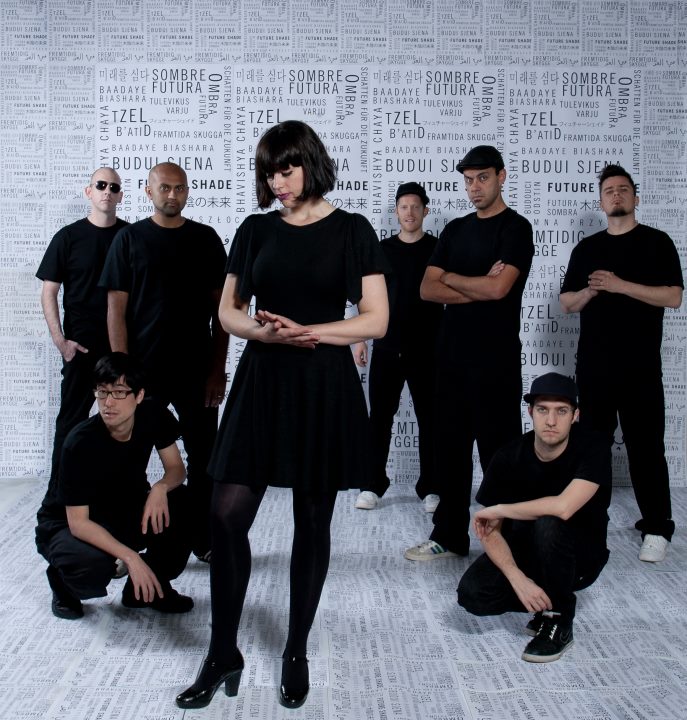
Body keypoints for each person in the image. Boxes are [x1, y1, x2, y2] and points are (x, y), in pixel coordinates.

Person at [176, 120, 389, 711]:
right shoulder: (254, 229)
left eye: (287, 169)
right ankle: (223, 652)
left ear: (310, 163)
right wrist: (267, 334)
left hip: (322, 383)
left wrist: (308, 332)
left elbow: (375, 319)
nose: (278, 182)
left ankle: (296, 649)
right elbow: (229, 312)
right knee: (225, 515)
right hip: (263, 379)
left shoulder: (352, 230)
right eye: (269, 172)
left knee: (312, 524)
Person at [405, 145, 534, 561]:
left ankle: (507, 540)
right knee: (449, 452)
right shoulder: (456, 230)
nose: (474, 187)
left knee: (500, 454)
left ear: (501, 177)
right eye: (468, 180)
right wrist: (477, 283)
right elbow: (427, 289)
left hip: (496, 361)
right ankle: (449, 536)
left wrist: (453, 279)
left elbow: (500, 289)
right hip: (450, 359)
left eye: (482, 178)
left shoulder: (516, 228)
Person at [100, 162, 229, 562]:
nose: (172, 195)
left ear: (187, 191)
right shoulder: (128, 240)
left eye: (180, 188)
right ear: (148, 191)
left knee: (205, 458)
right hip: (143, 374)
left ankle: (204, 539)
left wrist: (216, 370)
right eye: (165, 188)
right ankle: (127, 545)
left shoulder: (205, 239)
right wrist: (123, 374)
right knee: (129, 459)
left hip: (196, 372)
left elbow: (222, 312)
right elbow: (115, 309)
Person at [560, 164, 683, 563]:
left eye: (623, 189)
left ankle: (657, 527)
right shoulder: (587, 249)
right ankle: (590, 525)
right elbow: (567, 302)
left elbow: (673, 297)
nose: (616, 194)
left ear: (635, 197)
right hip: (594, 368)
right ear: (601, 201)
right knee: (592, 449)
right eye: (609, 190)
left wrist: (619, 285)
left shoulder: (657, 242)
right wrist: (591, 293)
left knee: (646, 448)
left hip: (640, 368)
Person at [457, 373, 611, 663]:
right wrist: (517, 579)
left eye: (561, 411)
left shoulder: (593, 448)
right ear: (530, 412)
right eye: (543, 410)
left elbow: (563, 507)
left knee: (548, 523)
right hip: (528, 551)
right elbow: (490, 530)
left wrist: (501, 509)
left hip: (580, 556)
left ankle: (559, 618)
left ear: (575, 415)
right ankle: (542, 598)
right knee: (472, 594)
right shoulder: (508, 456)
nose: (551, 421)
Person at [35, 352, 193, 620]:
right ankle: (62, 582)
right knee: (91, 567)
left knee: (184, 502)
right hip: (68, 524)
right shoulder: (79, 443)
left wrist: (160, 488)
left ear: (139, 395)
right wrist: (131, 558)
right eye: (102, 392)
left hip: (123, 509)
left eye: (119, 393)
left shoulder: (153, 414)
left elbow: (176, 468)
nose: (108, 403)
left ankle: (147, 590)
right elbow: (78, 523)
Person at [36, 167, 128, 501]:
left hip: (120, 349)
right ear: (89, 191)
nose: (107, 191)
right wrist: (61, 342)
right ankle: (57, 497)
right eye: (101, 185)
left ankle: (116, 495)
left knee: (123, 424)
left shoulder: (129, 236)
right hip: (81, 348)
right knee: (71, 423)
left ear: (120, 196)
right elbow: (49, 292)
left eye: (113, 187)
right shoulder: (68, 237)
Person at [353, 182, 443, 512]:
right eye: (404, 207)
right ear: (396, 212)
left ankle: (431, 487)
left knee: (430, 420)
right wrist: (360, 337)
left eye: (415, 206)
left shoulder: (438, 248)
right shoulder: (382, 249)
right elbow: (364, 294)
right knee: (379, 419)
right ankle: (372, 485)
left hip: (428, 349)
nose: (409, 212)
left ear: (425, 211)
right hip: (387, 346)